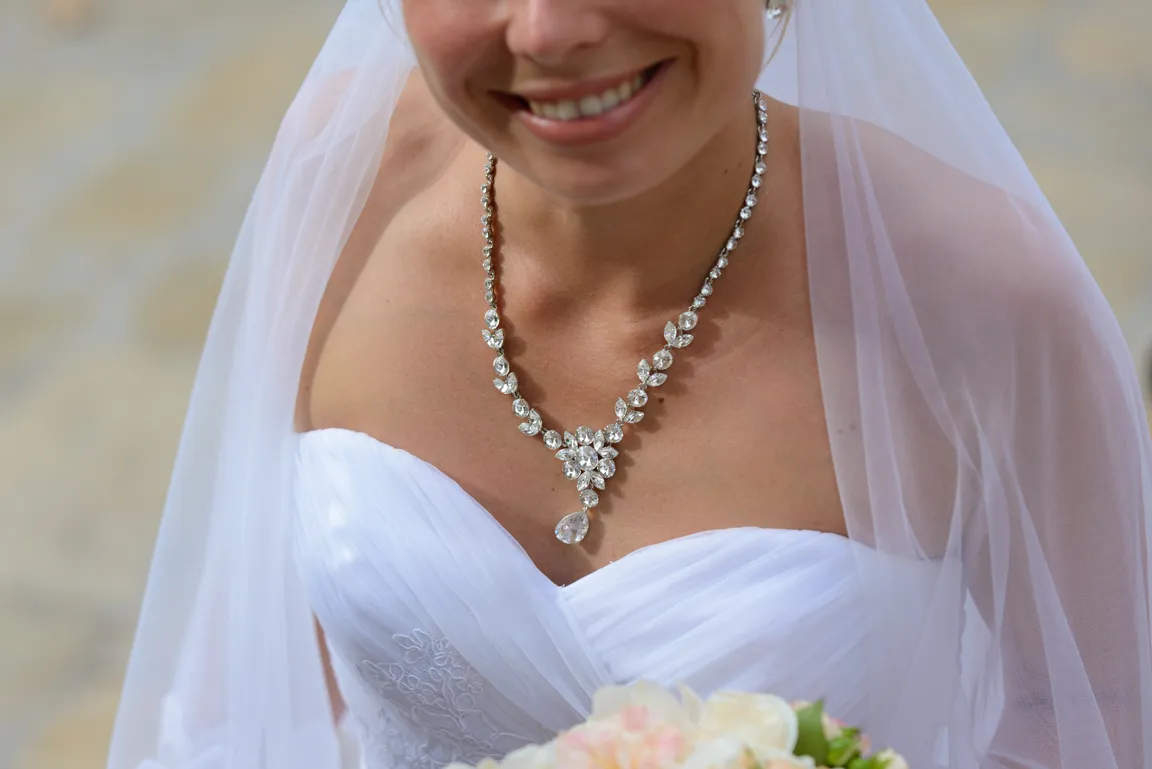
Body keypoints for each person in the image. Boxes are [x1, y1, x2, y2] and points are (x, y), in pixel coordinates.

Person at [106, 1, 1152, 768]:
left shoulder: (984, 297)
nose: (550, 32)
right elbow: (259, 649)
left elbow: (1090, 714)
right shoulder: (343, 172)